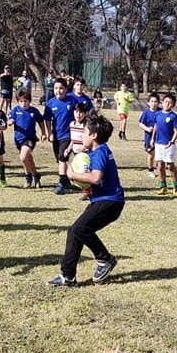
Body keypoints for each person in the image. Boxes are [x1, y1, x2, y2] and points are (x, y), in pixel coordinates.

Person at [47, 115, 124, 286]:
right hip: (105, 200)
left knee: (80, 228)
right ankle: (67, 276)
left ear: (94, 135)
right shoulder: (98, 150)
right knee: (75, 231)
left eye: (85, 132)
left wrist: (73, 175)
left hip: (110, 202)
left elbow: (96, 178)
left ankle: (105, 259)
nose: (82, 135)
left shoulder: (100, 152)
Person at [8, 89, 47, 188]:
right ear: (18, 102)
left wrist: (43, 133)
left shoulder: (34, 111)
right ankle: (36, 175)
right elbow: (10, 119)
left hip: (30, 139)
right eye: (21, 101)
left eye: (26, 101)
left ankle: (28, 176)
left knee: (23, 157)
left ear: (29, 101)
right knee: (28, 159)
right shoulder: (15, 110)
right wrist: (10, 122)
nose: (24, 103)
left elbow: (41, 122)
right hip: (18, 140)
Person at [44, 78, 76, 195]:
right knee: (59, 159)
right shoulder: (51, 103)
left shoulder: (72, 101)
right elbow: (47, 119)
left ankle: (61, 183)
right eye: (56, 88)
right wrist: (49, 133)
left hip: (68, 135)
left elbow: (80, 114)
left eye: (61, 88)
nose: (59, 91)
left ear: (66, 89)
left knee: (63, 157)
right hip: (56, 135)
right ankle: (67, 180)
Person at [151, 93, 177, 196]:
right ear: (162, 102)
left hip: (169, 145)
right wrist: (152, 139)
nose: (167, 104)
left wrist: (171, 141)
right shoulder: (158, 114)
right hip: (158, 144)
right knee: (159, 166)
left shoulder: (173, 116)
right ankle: (163, 186)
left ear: (172, 105)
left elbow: (176, 131)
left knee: (170, 166)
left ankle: (176, 186)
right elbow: (155, 126)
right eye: (166, 101)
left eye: (170, 102)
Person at [65, 102, 91, 200]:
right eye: (76, 112)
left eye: (81, 112)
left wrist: (83, 147)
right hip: (76, 153)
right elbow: (73, 139)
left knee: (85, 172)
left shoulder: (86, 126)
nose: (78, 114)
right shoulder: (72, 124)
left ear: (85, 114)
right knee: (78, 173)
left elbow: (88, 139)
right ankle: (86, 191)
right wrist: (68, 148)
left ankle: (89, 192)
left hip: (85, 154)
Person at [138, 93, 160, 178]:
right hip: (149, 136)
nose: (154, 103)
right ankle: (150, 170)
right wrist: (147, 129)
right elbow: (140, 124)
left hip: (159, 136)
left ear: (158, 103)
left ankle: (160, 169)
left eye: (155, 101)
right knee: (151, 154)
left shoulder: (160, 111)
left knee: (159, 154)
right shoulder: (146, 112)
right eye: (152, 101)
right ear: (148, 103)